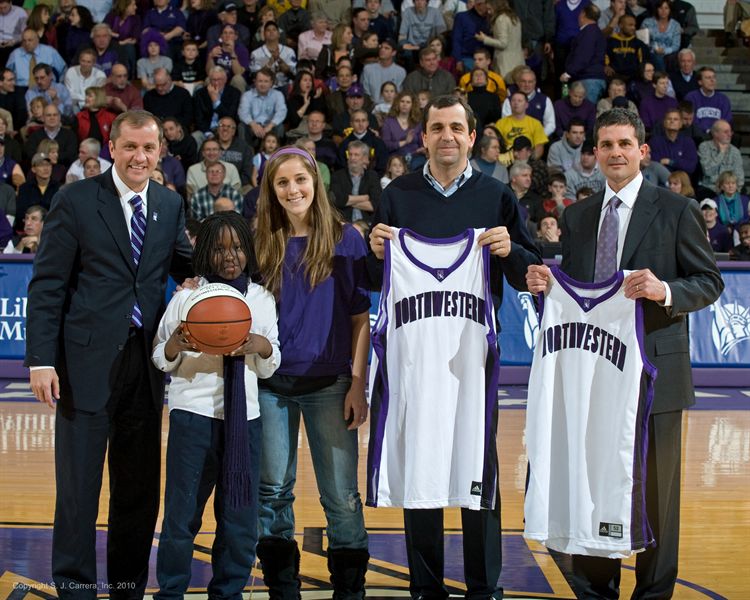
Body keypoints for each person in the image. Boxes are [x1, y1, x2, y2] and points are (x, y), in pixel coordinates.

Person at [526, 107, 724, 600]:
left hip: (659, 371)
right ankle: (598, 588)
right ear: (593, 154)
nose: (615, 152)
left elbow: (709, 282)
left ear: (643, 152)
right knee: (595, 481)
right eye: (606, 145)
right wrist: (542, 287)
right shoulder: (576, 216)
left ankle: (654, 593)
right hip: (596, 372)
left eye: (624, 144)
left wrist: (665, 290)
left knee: (658, 495)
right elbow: (574, 299)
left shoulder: (676, 209)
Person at [367, 94, 541, 600]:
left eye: (456, 128)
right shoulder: (397, 195)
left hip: (472, 354)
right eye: (437, 128)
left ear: (471, 136)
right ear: (422, 138)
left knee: (477, 460)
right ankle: (426, 585)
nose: (447, 136)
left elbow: (528, 270)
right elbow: (381, 278)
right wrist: (378, 252)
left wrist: (514, 250)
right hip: (415, 355)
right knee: (421, 457)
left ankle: (484, 585)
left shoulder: (496, 194)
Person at [25, 110, 194, 597]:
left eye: (149, 148)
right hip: (85, 366)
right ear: (112, 148)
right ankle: (75, 588)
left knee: (138, 490)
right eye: (130, 147)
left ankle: (127, 585)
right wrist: (42, 360)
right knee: (78, 489)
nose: (140, 156)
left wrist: (241, 275)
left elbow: (188, 266)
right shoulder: (76, 200)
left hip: (145, 366)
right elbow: (48, 287)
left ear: (159, 150)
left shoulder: (168, 203)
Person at [253, 146, 371, 598]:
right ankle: (282, 587)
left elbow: (360, 318)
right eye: (282, 183)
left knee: (340, 496)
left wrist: (358, 384)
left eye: (299, 180)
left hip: (331, 384)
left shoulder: (347, 238)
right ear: (272, 190)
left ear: (315, 183)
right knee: (273, 492)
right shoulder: (260, 241)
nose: (292, 189)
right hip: (270, 385)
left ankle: (349, 590)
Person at [153, 211, 280, 599]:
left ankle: (228, 592)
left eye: (238, 247)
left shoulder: (261, 299)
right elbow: (161, 353)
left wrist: (262, 347)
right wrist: (177, 344)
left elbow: (271, 363)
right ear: (206, 252)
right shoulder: (186, 297)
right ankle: (171, 591)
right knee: (181, 515)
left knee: (239, 519)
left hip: (245, 420)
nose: (231, 256)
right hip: (193, 417)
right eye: (221, 248)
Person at [330, 140, 381, 222]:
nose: (352, 158)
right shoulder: (337, 176)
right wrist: (365, 198)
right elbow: (336, 200)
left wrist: (347, 202)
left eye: (356, 155)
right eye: (350, 154)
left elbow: (375, 205)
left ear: (364, 158)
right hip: (344, 222)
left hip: (367, 223)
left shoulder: (372, 176)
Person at [684, 67, 733, 136]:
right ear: (700, 82)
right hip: (699, 134)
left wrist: (717, 131)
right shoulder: (691, 97)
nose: (712, 80)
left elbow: (727, 119)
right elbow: (691, 120)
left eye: (714, 77)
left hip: (719, 134)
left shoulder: (723, 99)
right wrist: (707, 130)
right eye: (708, 78)